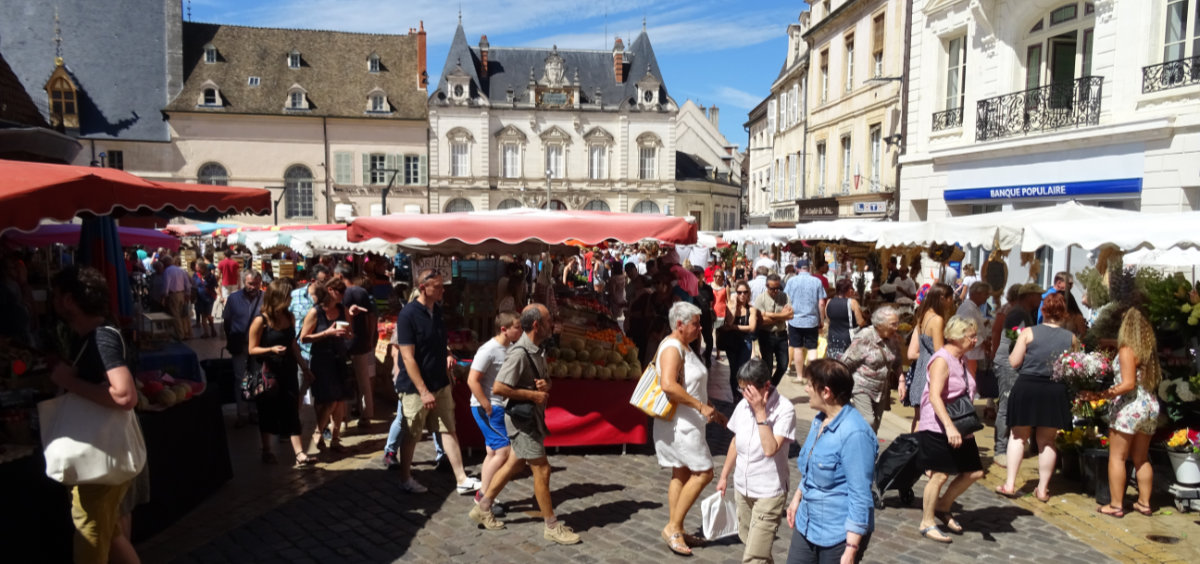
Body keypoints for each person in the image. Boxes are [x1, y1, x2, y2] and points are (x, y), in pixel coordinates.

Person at [49, 266, 141, 564]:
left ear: (70, 301)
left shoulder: (101, 338)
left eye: (57, 295)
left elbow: (125, 394)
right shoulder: (90, 336)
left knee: (90, 536)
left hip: (99, 460)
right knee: (110, 533)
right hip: (98, 458)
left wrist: (68, 382)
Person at [469, 304, 582, 545]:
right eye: (549, 320)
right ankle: (551, 525)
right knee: (542, 469)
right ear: (536, 325)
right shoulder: (519, 353)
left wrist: (544, 386)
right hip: (522, 421)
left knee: (514, 463)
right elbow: (499, 388)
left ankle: (483, 505)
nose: (553, 323)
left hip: (532, 418)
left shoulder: (538, 349)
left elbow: (544, 382)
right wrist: (532, 396)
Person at [391, 269, 480, 494]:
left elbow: (439, 341)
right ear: (423, 288)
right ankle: (405, 478)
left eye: (442, 286)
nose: (442, 290)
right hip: (415, 387)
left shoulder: (437, 311)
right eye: (438, 286)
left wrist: (448, 353)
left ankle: (461, 478)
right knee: (412, 433)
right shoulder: (408, 315)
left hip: (440, 383)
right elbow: (407, 357)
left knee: (448, 429)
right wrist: (422, 390)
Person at [786, 358, 876, 563]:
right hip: (807, 523)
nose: (807, 389)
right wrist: (797, 498)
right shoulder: (820, 420)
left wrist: (851, 548)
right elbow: (811, 469)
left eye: (810, 385)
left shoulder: (855, 434)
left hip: (837, 535)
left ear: (826, 392)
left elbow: (860, 495)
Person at [654, 301, 724, 556]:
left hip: (688, 420)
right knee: (704, 472)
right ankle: (672, 526)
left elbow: (692, 384)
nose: (700, 327)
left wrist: (711, 409)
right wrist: (699, 406)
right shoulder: (673, 347)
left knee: (680, 473)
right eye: (696, 323)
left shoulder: (684, 346)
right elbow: (668, 385)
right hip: (680, 423)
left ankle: (678, 529)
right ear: (680, 324)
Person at [997, 292, 1077, 501]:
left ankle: (1010, 484)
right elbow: (1075, 368)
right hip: (1054, 390)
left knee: (1018, 436)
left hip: (1027, 387)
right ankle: (1042, 489)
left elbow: (1014, 362)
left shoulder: (1028, 332)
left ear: (1043, 311)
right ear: (1064, 314)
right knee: (1047, 441)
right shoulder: (1071, 338)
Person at [1084, 308, 1162, 517]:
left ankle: (1116, 505)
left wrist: (1102, 394)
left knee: (1117, 457)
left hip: (1130, 407)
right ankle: (1144, 503)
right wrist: (1110, 343)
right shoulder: (1147, 351)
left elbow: (1127, 384)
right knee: (1141, 458)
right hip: (1149, 406)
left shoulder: (1127, 350)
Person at [716, 360, 795, 564]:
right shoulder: (743, 405)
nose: (744, 394)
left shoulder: (785, 409)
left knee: (754, 557)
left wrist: (761, 412)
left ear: (765, 386)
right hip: (742, 488)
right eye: (741, 389)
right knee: (751, 542)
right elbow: (735, 442)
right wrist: (724, 476)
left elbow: (770, 449)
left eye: (748, 389)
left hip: (769, 492)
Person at [915, 316, 984, 544]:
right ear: (955, 337)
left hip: (960, 424)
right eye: (970, 336)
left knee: (974, 472)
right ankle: (927, 522)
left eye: (975, 335)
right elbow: (934, 397)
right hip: (938, 425)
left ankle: (942, 506)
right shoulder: (942, 359)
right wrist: (949, 427)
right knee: (940, 474)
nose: (975, 340)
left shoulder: (960, 359)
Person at [248, 279, 316, 466]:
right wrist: (271, 350)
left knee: (292, 409)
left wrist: (304, 367)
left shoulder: (289, 317)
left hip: (288, 370)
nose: (290, 300)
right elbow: (251, 349)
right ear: (278, 298)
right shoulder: (260, 321)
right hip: (268, 373)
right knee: (267, 411)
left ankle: (300, 453)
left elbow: (293, 344)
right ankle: (267, 450)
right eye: (287, 296)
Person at [467, 311, 522, 513]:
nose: (520, 330)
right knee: (503, 451)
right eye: (517, 327)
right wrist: (486, 405)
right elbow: (472, 380)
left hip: (500, 406)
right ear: (504, 329)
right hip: (489, 408)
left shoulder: (511, 348)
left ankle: (485, 493)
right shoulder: (488, 350)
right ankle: (484, 496)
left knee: (492, 451)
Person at [299, 279, 354, 453]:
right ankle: (321, 432)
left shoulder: (343, 310)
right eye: (340, 291)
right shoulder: (315, 312)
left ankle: (334, 437)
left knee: (338, 400)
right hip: (321, 360)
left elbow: (351, 334)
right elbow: (303, 338)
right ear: (330, 290)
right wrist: (326, 333)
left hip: (340, 359)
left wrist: (347, 335)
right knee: (325, 400)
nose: (343, 295)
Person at [901, 283, 954, 430]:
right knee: (927, 416)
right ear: (943, 298)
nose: (952, 302)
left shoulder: (922, 316)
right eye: (951, 298)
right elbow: (939, 352)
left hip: (920, 369)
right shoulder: (937, 319)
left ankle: (914, 447)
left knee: (918, 416)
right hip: (931, 370)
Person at [842, 307, 902, 432]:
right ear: (879, 325)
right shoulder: (864, 337)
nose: (896, 327)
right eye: (893, 324)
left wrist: (901, 380)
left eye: (897, 323)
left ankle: (867, 449)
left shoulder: (893, 338)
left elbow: (897, 361)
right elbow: (845, 362)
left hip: (881, 389)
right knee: (868, 421)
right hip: (862, 386)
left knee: (875, 425)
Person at [334, 264, 379, 429]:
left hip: (346, 342)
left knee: (345, 379)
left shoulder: (341, 294)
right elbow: (371, 317)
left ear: (340, 276)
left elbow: (346, 318)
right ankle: (367, 415)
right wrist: (369, 337)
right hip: (361, 341)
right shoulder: (362, 292)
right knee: (363, 380)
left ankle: (344, 417)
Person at [223, 270, 264, 427]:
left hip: (258, 344)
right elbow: (227, 320)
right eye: (250, 283)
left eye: (256, 284)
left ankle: (254, 412)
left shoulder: (265, 298)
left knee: (256, 377)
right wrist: (230, 339)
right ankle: (242, 413)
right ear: (243, 282)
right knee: (240, 378)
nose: (253, 287)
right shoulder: (233, 299)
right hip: (240, 344)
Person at [784, 259, 826, 383]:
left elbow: (786, 300)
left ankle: (799, 376)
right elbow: (821, 303)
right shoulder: (817, 281)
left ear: (797, 269)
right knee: (812, 348)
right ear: (809, 268)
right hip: (812, 320)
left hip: (795, 320)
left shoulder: (791, 281)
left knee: (797, 348)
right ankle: (812, 378)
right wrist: (821, 320)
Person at [720, 280, 758, 403]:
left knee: (742, 370)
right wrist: (733, 306)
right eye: (739, 292)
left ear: (748, 294)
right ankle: (735, 395)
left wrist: (734, 327)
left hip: (745, 341)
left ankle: (741, 394)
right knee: (734, 369)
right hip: (732, 341)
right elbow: (729, 322)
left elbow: (751, 327)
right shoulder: (731, 306)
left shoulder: (751, 309)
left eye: (745, 292)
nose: (742, 295)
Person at [754, 274, 794, 387]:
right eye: (772, 289)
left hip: (781, 335)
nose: (775, 291)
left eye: (778, 288)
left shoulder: (784, 296)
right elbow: (761, 320)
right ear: (767, 286)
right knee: (768, 366)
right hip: (766, 335)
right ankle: (767, 388)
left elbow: (790, 315)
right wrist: (781, 316)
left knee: (783, 365)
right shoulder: (760, 299)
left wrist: (769, 315)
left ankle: (771, 387)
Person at [955, 282, 992, 377]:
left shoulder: (973, 308)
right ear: (977, 294)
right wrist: (984, 342)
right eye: (985, 294)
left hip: (974, 354)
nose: (987, 297)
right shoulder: (968, 309)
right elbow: (966, 331)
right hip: (970, 355)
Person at [824, 278, 867, 360]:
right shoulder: (852, 302)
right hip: (847, 338)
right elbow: (860, 322)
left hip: (832, 337)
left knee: (833, 361)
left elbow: (828, 319)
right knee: (846, 361)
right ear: (848, 290)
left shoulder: (829, 301)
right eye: (851, 288)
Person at [161, 255, 193, 340]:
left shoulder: (167, 271)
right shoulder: (181, 270)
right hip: (181, 294)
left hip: (173, 295)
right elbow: (187, 284)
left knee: (175, 315)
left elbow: (166, 285)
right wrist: (187, 294)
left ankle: (180, 335)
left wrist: (164, 296)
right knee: (182, 314)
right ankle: (185, 333)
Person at [192, 261, 217, 338]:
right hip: (200, 298)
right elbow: (193, 285)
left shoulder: (210, 276)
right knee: (204, 315)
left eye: (197, 267)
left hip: (209, 298)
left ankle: (211, 329)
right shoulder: (195, 275)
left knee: (208, 315)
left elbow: (215, 285)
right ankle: (207, 332)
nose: (196, 268)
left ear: (202, 268)